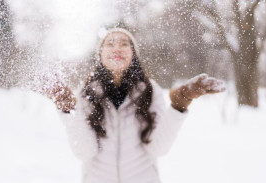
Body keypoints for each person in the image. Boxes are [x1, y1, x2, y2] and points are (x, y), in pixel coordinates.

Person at [43, 28, 225, 183]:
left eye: (124, 43)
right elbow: (84, 152)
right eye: (110, 43)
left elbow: (158, 148)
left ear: (133, 54)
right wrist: (67, 109)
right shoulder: (86, 93)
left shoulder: (150, 90)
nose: (117, 48)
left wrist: (181, 102)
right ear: (100, 54)